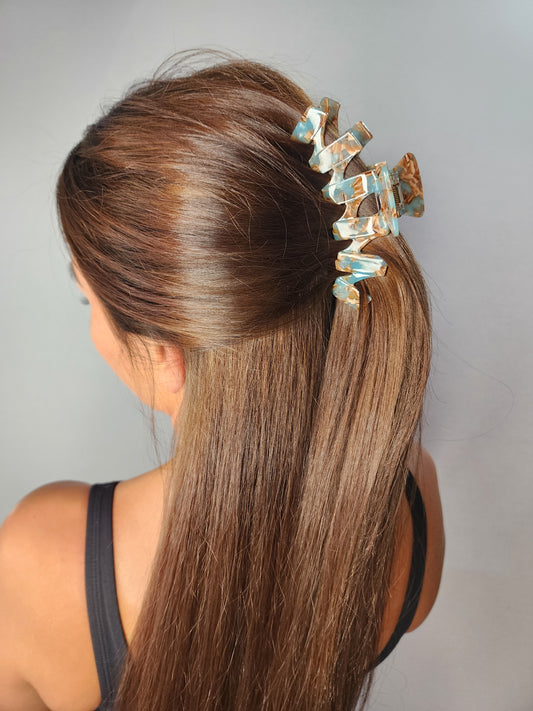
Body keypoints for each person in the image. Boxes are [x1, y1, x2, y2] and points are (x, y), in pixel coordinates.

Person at [0, 51, 444, 711]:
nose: (91, 321)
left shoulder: (41, 557)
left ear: (165, 355)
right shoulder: (411, 495)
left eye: (85, 296)